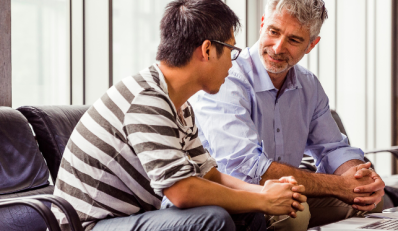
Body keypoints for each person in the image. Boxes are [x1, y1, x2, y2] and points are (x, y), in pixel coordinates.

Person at [51, 0, 307, 231]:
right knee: (213, 220)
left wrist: (264, 192)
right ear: (207, 50)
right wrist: (263, 199)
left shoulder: (179, 105)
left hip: (128, 219)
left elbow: (210, 176)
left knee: (249, 214)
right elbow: (182, 191)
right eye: (231, 50)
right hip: (88, 226)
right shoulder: (147, 100)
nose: (232, 62)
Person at [190, 0, 386, 230]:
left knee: (367, 200)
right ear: (263, 24)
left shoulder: (308, 85)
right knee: (295, 215)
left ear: (311, 45)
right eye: (274, 32)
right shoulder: (226, 77)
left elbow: (333, 147)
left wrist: (360, 179)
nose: (278, 47)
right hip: (234, 195)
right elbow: (246, 169)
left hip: (287, 192)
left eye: (294, 40)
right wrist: (337, 184)